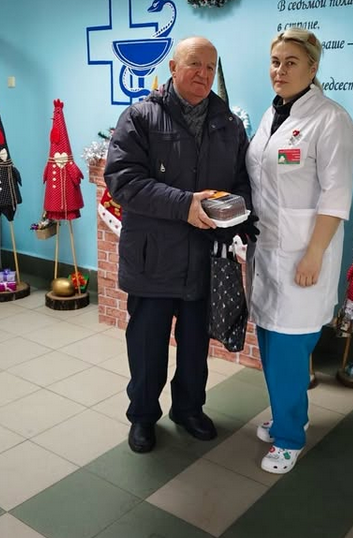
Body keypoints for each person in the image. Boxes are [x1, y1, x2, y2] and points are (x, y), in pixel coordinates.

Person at [105, 36, 253, 453]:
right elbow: (123, 181)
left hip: (205, 258)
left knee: (194, 348)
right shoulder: (140, 117)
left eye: (210, 67)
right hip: (153, 258)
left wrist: (233, 212)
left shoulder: (229, 124)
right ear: (172, 67)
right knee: (147, 347)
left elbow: (244, 183)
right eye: (194, 64)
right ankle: (142, 417)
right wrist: (185, 205)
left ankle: (189, 409)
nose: (203, 74)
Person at [246, 28, 353, 474]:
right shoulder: (272, 113)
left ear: (313, 68)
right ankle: (287, 416)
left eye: (291, 62)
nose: (280, 70)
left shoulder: (331, 119)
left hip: (304, 254)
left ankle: (290, 438)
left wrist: (314, 254)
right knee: (269, 341)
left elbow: (336, 195)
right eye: (275, 61)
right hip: (266, 249)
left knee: (290, 351)